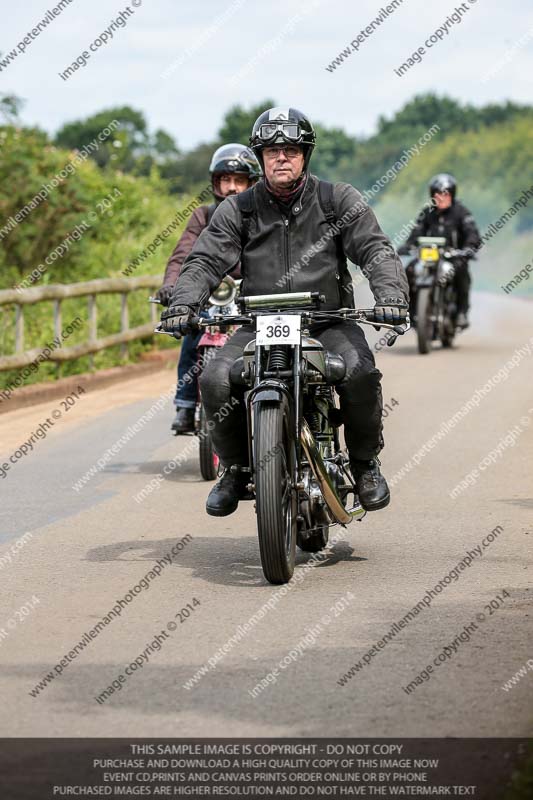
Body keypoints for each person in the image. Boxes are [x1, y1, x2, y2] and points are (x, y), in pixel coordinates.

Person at [160, 106, 409, 516]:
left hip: (326, 321)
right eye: (272, 150)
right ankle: (237, 469)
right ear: (260, 157)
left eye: (291, 149)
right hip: (259, 323)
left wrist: (392, 295)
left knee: (359, 370)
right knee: (216, 377)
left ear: (305, 155)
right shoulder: (238, 209)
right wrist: (183, 301)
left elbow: (374, 249)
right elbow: (204, 259)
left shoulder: (336, 199)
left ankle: (365, 464)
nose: (281, 157)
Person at [155, 143, 261, 433]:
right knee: (192, 335)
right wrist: (171, 286)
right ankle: (186, 405)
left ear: (251, 183)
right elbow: (183, 255)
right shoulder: (203, 216)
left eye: (238, 180)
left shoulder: (262, 214)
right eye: (225, 180)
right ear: (215, 183)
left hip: (252, 296)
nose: (231, 187)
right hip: (212, 294)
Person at [398, 173, 481, 329]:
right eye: (437, 194)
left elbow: (472, 232)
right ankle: (410, 311)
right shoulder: (427, 213)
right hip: (428, 256)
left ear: (451, 195)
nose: (441, 197)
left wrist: (469, 248)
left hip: (453, 255)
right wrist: (408, 246)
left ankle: (462, 312)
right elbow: (416, 232)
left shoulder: (461, 212)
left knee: (461, 271)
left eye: (445, 194)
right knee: (409, 270)